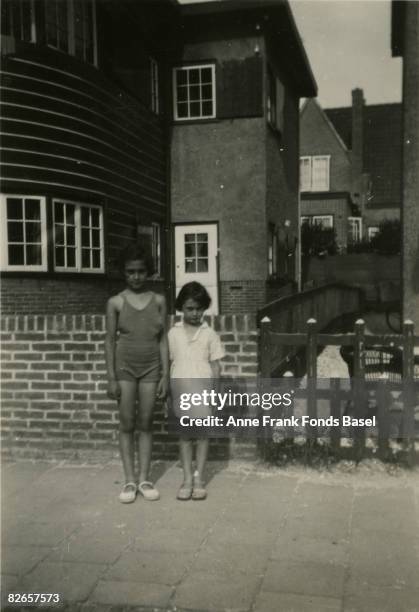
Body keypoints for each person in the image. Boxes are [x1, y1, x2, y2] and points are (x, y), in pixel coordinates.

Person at [105, 243, 169, 503]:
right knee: (127, 422)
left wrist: (165, 374)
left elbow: (163, 339)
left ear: (149, 272)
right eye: (130, 271)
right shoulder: (115, 302)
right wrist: (111, 377)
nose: (136, 276)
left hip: (151, 367)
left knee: (146, 422)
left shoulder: (160, 301)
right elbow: (109, 340)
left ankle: (144, 478)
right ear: (123, 272)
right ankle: (129, 480)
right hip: (125, 368)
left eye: (141, 271)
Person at [168, 282, 224, 501]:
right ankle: (187, 479)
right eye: (190, 308)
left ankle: (199, 478)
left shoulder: (210, 334)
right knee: (184, 436)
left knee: (201, 436)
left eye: (199, 308)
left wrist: (216, 394)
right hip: (181, 390)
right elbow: (169, 362)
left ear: (205, 308)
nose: (194, 313)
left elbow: (216, 367)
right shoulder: (173, 333)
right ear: (181, 307)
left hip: (203, 391)